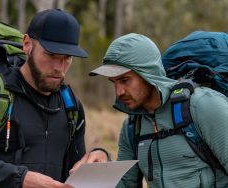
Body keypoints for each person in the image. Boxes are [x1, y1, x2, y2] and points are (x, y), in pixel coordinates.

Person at [0, 9, 109, 188]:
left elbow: (74, 174)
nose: (59, 67)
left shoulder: (71, 107)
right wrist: (21, 179)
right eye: (51, 55)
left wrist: (98, 156)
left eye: (67, 58)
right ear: (27, 45)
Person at [88, 33, 228, 187]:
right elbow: (126, 184)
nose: (118, 92)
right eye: (114, 82)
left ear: (147, 74)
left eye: (124, 80)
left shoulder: (202, 105)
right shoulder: (132, 127)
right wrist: (96, 172)